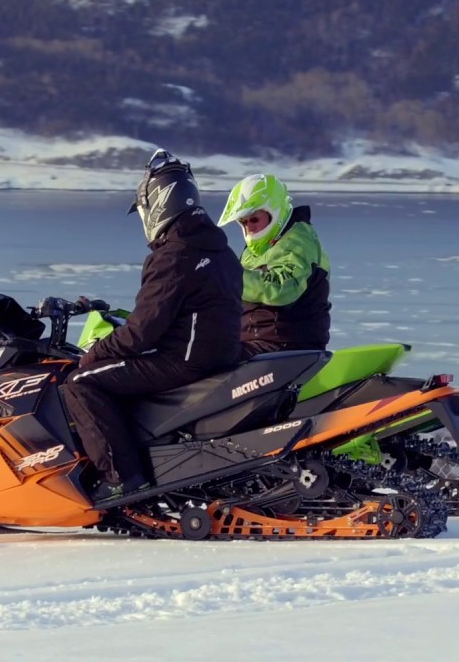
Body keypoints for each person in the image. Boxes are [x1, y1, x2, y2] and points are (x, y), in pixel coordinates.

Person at [61, 149, 243, 501]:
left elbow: (143, 331)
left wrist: (95, 352)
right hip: (218, 355)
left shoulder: (175, 254)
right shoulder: (219, 249)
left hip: (185, 360)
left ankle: (122, 478)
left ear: (157, 205)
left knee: (81, 383)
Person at [218, 173, 331, 357]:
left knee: (207, 361)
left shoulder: (297, 242)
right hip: (258, 343)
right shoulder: (258, 249)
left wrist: (229, 275)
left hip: (288, 346)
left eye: (254, 219)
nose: (249, 228)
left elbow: (280, 288)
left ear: (275, 212)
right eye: (243, 222)